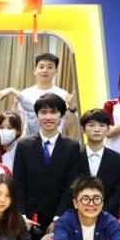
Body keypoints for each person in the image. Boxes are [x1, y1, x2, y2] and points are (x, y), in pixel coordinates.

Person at [11, 93, 83, 230]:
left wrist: (58, 218)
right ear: (37, 115)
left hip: (61, 218)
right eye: (43, 112)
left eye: (53, 112)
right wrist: (23, 216)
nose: (48, 117)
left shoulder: (72, 147)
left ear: (61, 116)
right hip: (29, 219)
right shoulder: (23, 145)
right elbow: (18, 182)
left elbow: (72, 185)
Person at [73, 109, 120, 218]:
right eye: (91, 125)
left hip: (107, 217)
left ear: (108, 129)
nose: (97, 129)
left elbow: (118, 193)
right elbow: (69, 188)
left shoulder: (119, 160)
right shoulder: (73, 157)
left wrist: (101, 213)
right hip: (76, 216)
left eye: (102, 125)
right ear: (83, 129)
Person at [16, 52, 75, 134]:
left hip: (54, 140)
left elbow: (69, 126)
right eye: (41, 67)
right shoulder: (25, 94)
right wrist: (15, 105)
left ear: (56, 71)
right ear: (35, 71)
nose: (45, 70)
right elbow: (18, 123)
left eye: (50, 67)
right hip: (29, 140)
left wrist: (72, 109)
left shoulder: (64, 95)